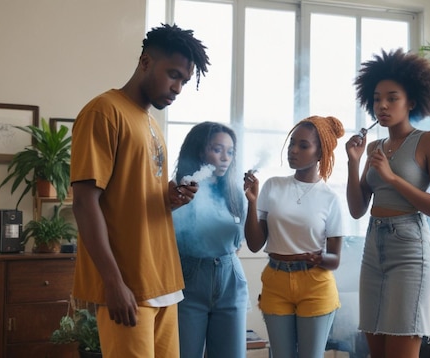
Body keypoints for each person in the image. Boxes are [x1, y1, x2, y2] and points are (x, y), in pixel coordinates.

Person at [70, 24, 210, 358]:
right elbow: (83, 202)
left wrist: (170, 198)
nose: (177, 88)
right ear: (145, 62)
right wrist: (113, 282)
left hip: (163, 283)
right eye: (173, 74)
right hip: (128, 285)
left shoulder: (150, 123)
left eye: (184, 82)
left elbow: (133, 198)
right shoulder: (104, 111)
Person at [345, 48, 430, 358]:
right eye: (377, 98)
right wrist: (354, 163)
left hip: (410, 251)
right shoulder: (375, 147)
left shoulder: (428, 141)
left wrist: (393, 179)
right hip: (373, 249)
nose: (382, 105)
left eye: (392, 98)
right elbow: (357, 209)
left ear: (412, 101)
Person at [243, 115, 345, 358]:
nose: (293, 150)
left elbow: (335, 259)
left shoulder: (329, 198)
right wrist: (252, 203)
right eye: (291, 143)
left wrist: (318, 258)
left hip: (315, 284)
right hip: (276, 282)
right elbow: (256, 244)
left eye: (303, 145)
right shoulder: (272, 186)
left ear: (320, 154)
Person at [172, 122, 248, 358]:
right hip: (188, 279)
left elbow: (238, 245)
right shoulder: (177, 191)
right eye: (217, 149)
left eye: (230, 151)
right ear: (199, 150)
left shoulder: (236, 194)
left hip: (230, 279)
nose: (225, 158)